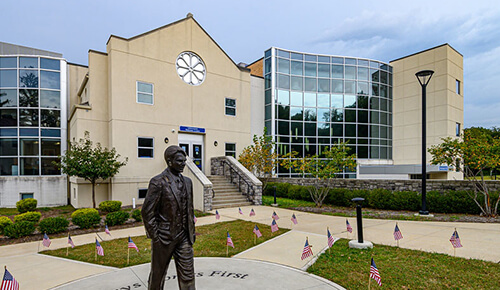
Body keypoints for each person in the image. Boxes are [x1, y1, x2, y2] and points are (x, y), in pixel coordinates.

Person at [142, 145, 196, 290]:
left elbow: (189, 210)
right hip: (164, 237)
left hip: (184, 237)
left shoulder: (188, 182)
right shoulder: (158, 182)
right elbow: (147, 212)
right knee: (157, 276)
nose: (183, 163)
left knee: (188, 276)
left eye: (184, 160)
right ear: (169, 161)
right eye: (180, 161)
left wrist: (192, 232)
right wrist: (156, 236)